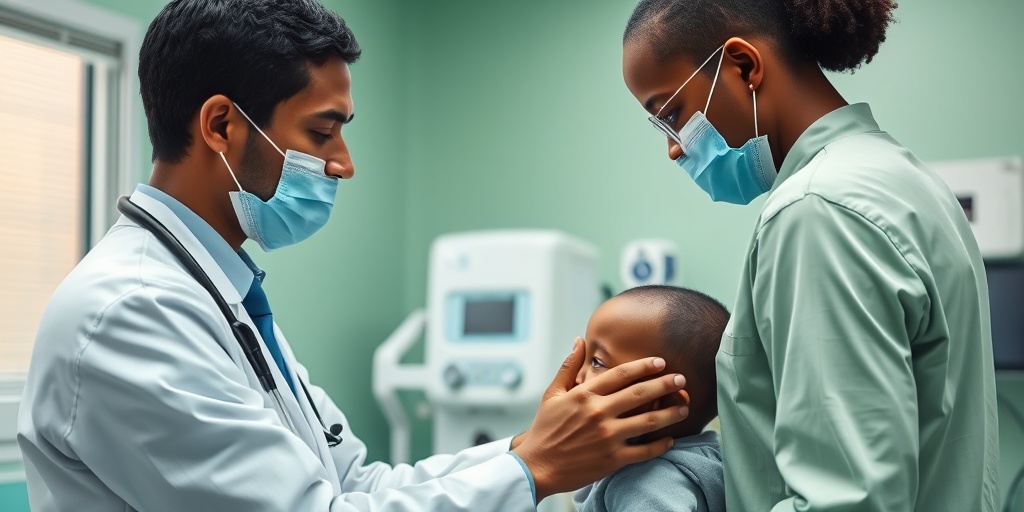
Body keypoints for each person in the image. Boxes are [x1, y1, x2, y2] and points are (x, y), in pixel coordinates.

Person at [16, 1, 691, 510]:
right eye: (322, 131)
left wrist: (531, 447)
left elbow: (358, 485)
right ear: (221, 125)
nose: (343, 165)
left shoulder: (219, 297)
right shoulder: (130, 313)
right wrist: (532, 469)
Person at [619, 0, 1000, 510]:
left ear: (743, 66)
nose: (674, 148)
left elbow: (846, 500)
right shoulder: (900, 177)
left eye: (672, 115)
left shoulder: (816, 210)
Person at [573, 285, 727, 512]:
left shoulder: (644, 484)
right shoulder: (710, 455)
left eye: (597, 362)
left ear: (665, 405)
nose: (577, 377)